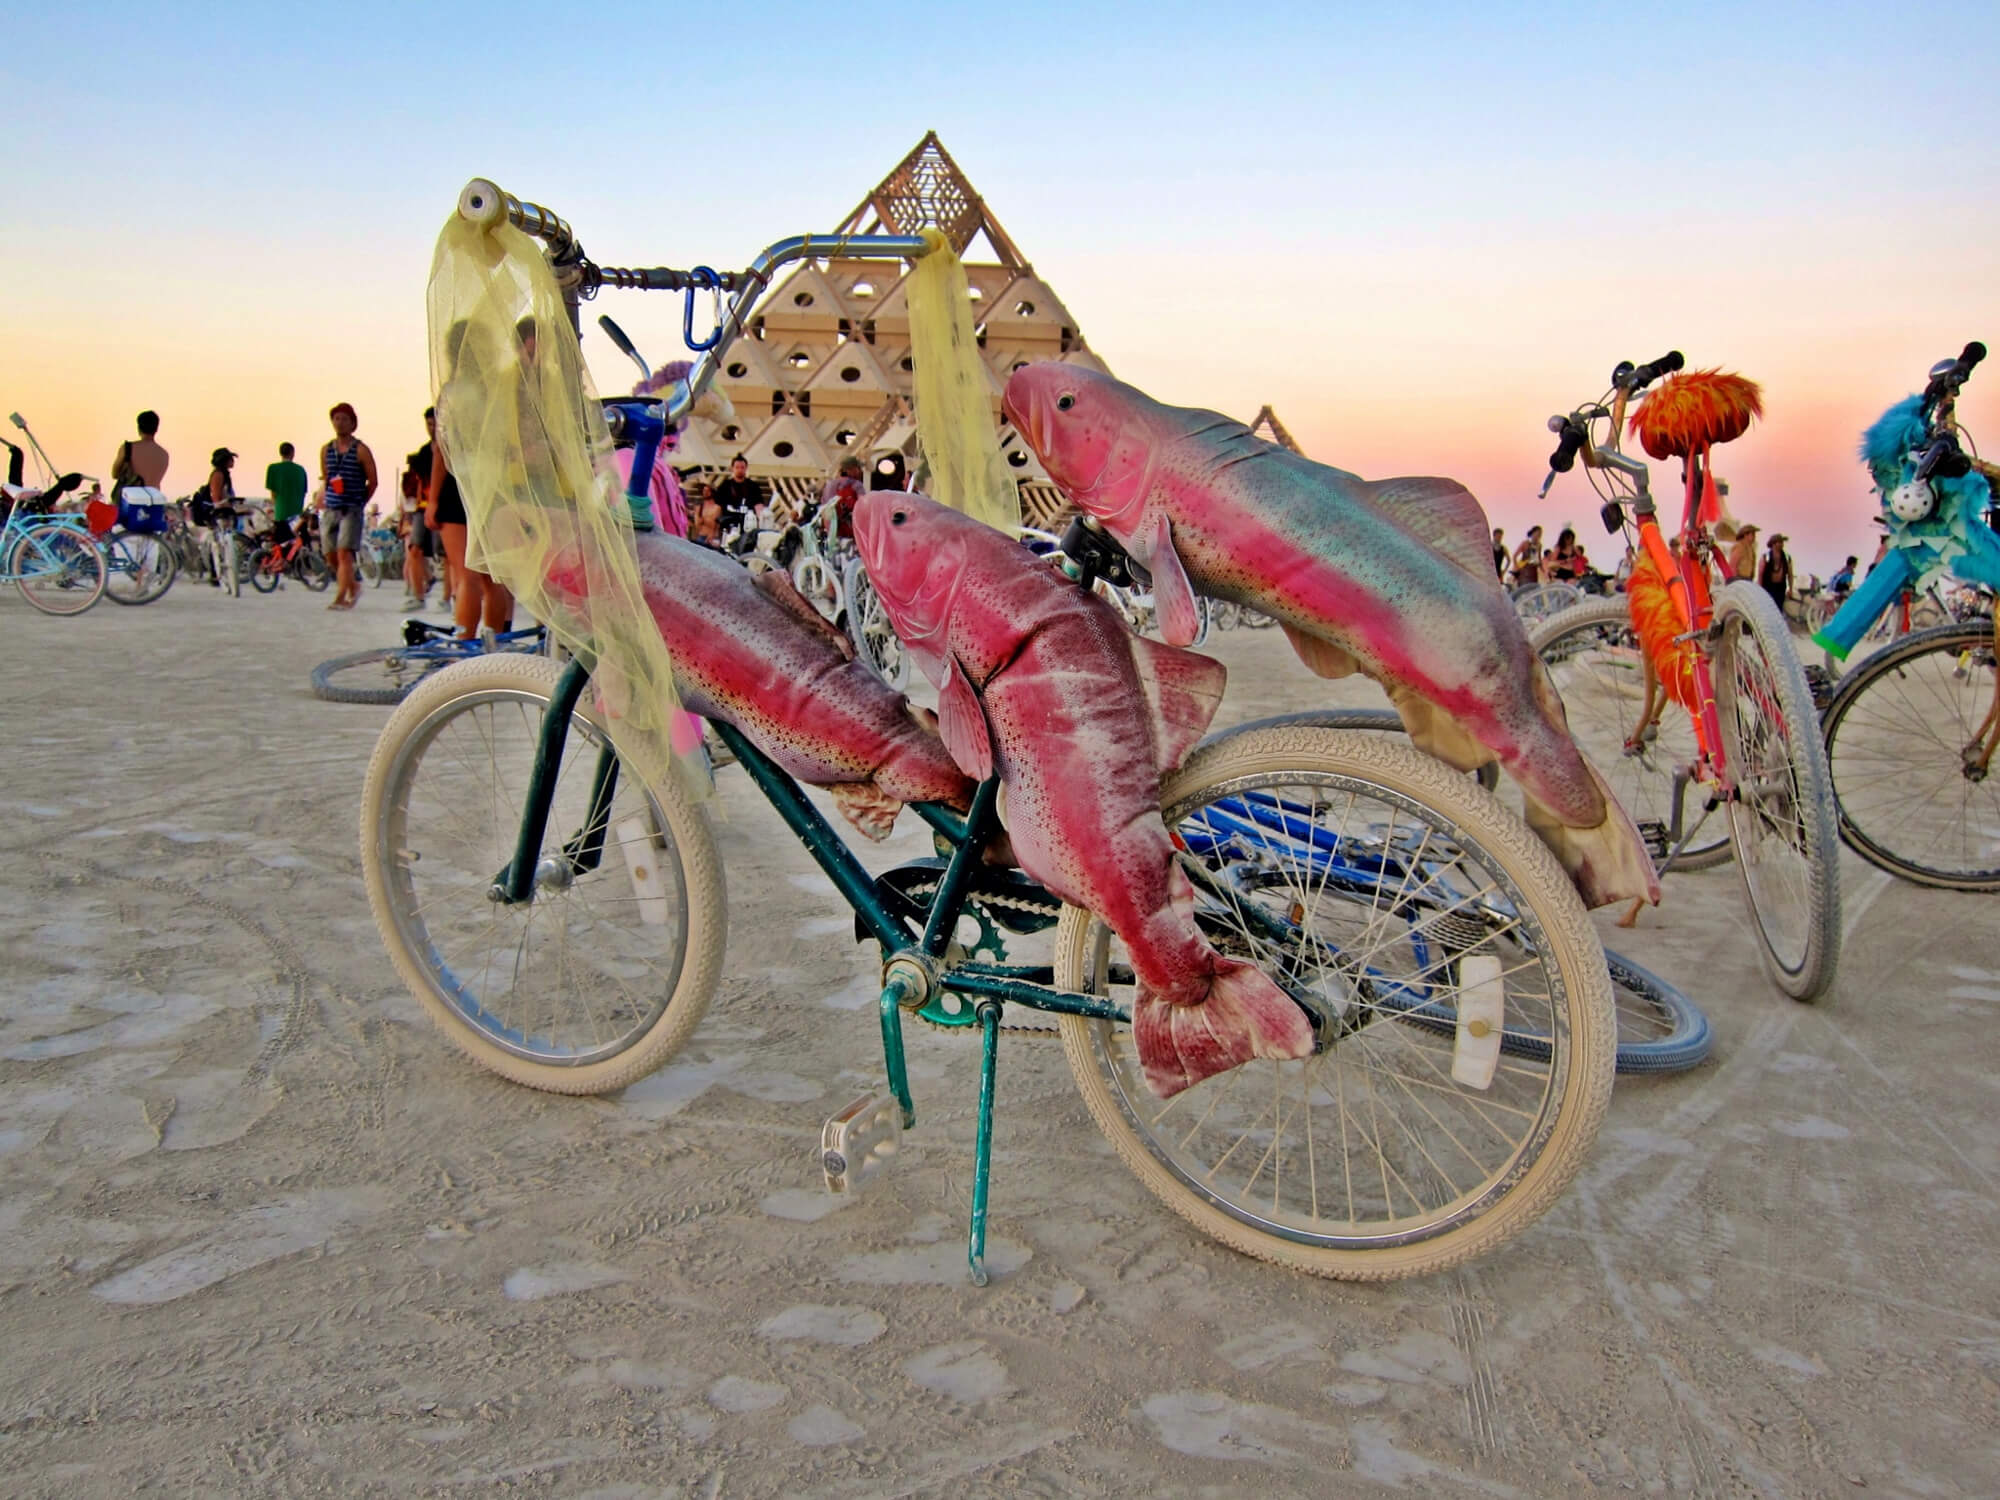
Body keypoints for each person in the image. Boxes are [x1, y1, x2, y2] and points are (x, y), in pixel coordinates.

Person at [319, 402, 377, 610]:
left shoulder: (361, 450)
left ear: (353, 424)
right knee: (330, 554)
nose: (340, 423)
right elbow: (326, 477)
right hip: (332, 507)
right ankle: (353, 585)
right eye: (336, 418)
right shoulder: (326, 450)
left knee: (344, 553)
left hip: (351, 508)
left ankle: (341, 597)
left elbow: (373, 480)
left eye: (345, 419)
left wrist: (361, 501)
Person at [110, 410, 170, 496]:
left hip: (132, 502)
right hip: (154, 501)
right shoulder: (164, 454)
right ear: (156, 429)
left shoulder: (127, 448)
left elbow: (115, 474)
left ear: (139, 428)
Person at [712, 454, 764, 549]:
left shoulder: (753, 486)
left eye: (742, 467)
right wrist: (714, 532)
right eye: (737, 467)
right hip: (728, 528)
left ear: (746, 468)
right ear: (732, 468)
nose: (740, 470)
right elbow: (717, 509)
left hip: (748, 527)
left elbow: (759, 507)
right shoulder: (725, 486)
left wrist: (761, 524)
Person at [264, 441, 308, 543]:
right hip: (298, 516)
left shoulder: (273, 469)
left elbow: (273, 494)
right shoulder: (301, 470)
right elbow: (304, 493)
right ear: (293, 453)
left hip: (281, 515)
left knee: (282, 548)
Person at [817, 456, 865, 545]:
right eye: (858, 468)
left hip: (831, 533)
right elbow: (864, 505)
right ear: (851, 469)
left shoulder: (830, 485)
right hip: (850, 533)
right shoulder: (856, 485)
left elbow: (823, 507)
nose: (860, 471)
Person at [1759, 533, 1794, 616]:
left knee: (1778, 611)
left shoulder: (1787, 557)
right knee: (1767, 610)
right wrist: (1759, 590)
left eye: (1782, 542)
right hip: (1767, 587)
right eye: (1780, 542)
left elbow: (1790, 574)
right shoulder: (1766, 557)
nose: (1782, 544)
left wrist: (1791, 589)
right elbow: (1760, 574)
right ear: (1773, 544)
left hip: (1780, 588)